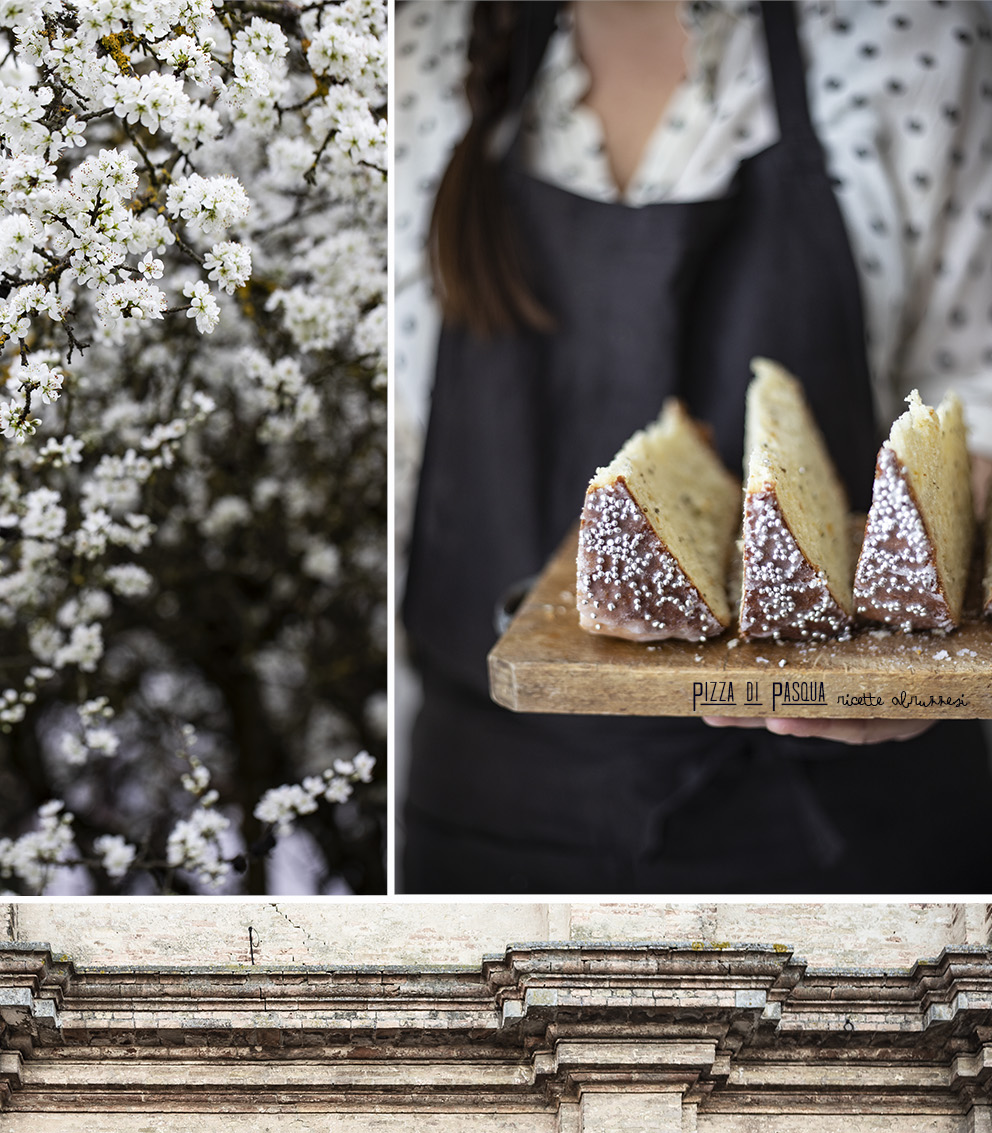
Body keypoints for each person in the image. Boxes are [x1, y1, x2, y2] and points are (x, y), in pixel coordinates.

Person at [396, 0, 992, 893]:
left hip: (850, 841)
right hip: (487, 827)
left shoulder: (917, 33)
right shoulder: (413, 47)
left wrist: (933, 665)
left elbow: (977, 413)